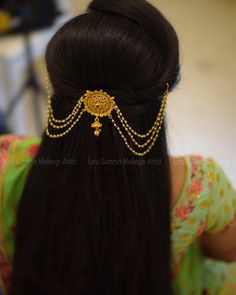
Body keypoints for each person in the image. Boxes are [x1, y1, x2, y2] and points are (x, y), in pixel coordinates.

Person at [0, 0, 235, 294]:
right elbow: (228, 253)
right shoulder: (202, 185)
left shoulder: (6, 162)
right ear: (163, 92)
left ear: (58, 87)